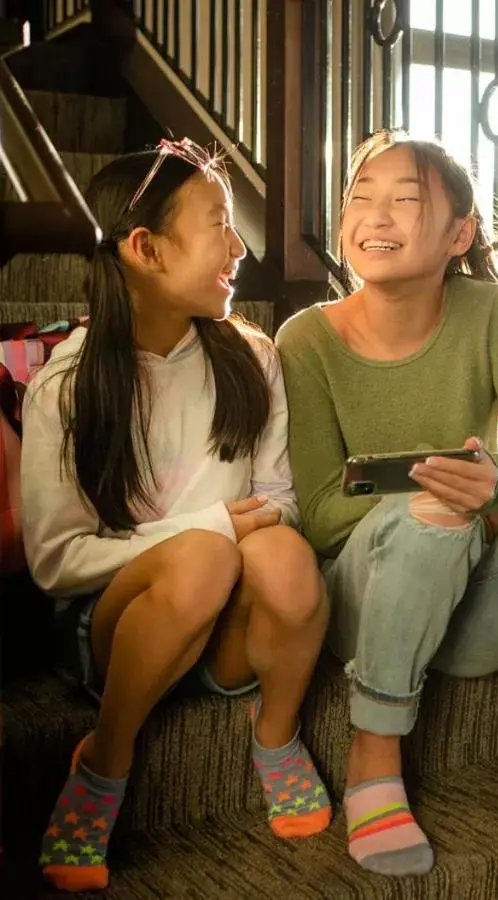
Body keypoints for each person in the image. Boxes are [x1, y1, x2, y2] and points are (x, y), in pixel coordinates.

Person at [275, 130, 498, 885]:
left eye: (405, 199)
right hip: (366, 612)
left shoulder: (490, 313)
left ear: (458, 233)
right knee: (433, 517)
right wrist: (430, 493)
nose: (376, 215)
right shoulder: (306, 340)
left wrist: (494, 481)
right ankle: (374, 758)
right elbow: (320, 515)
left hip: (475, 616)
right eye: (360, 198)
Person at [20, 142, 332, 893]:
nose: (241, 247)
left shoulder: (252, 356)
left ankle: (278, 734)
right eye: (220, 224)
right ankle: (104, 764)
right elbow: (56, 560)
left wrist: (235, 533)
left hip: (226, 635)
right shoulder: (67, 385)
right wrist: (213, 530)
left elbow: (278, 499)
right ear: (144, 249)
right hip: (119, 627)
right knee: (204, 556)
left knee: (287, 558)